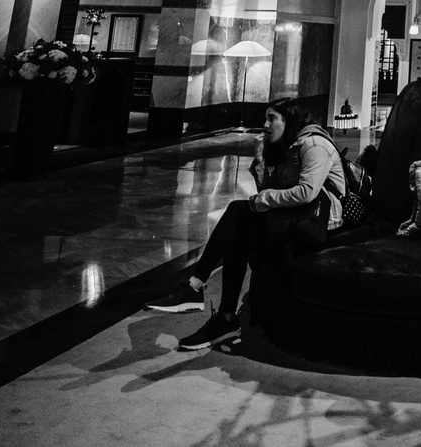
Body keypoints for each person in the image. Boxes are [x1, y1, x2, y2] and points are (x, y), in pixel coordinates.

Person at [147, 98, 346, 350]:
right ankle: (225, 317)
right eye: (265, 118)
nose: (265, 125)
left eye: (271, 118)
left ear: (289, 120)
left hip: (322, 224)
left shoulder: (314, 144)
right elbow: (269, 192)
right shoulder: (286, 147)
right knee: (237, 232)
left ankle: (197, 288)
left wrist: (264, 199)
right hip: (296, 218)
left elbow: (306, 192)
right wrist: (260, 159)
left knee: (237, 210)